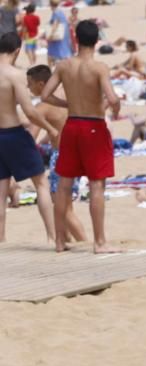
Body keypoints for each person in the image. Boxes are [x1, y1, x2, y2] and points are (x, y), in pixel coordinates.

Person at [41, 19, 120, 253]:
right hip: (93, 126)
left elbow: (45, 94)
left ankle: (58, 241)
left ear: (76, 39)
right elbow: (112, 97)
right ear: (97, 40)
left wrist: (67, 103)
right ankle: (99, 242)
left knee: (64, 183)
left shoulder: (64, 65)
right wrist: (113, 107)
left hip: (72, 124)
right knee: (96, 184)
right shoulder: (98, 68)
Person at [0, 32, 58, 244]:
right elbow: (30, 111)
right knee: (41, 183)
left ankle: (1, 239)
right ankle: (52, 237)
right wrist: (50, 128)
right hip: (13, 133)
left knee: (1, 190)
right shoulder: (14, 75)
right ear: (17, 51)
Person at [25, 63, 85, 243]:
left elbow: (31, 137)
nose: (28, 87)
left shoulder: (44, 106)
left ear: (41, 84)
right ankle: (66, 238)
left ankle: (84, 242)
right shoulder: (69, 95)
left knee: (62, 206)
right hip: (79, 152)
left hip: (62, 156)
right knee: (67, 205)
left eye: (30, 83)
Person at [45, 0, 72, 65]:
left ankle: (50, 68)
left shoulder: (56, 12)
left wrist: (51, 35)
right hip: (64, 34)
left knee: (51, 53)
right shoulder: (61, 12)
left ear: (50, 4)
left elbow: (55, 24)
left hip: (58, 35)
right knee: (64, 52)